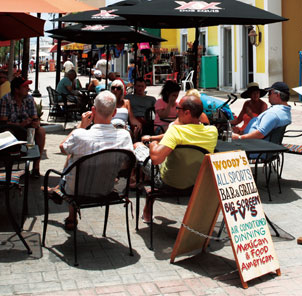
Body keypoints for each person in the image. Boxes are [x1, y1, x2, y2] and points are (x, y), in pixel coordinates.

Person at [58, 90, 134, 230]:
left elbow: (62, 147)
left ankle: (70, 212)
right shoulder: (124, 136)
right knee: (77, 154)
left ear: (93, 110)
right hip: (106, 188)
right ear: (114, 112)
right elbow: (126, 164)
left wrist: (81, 127)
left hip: (76, 191)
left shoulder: (80, 135)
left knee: (72, 155)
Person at [136, 94, 218, 223]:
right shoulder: (212, 132)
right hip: (195, 183)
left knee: (138, 146)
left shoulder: (175, 131)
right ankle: (150, 195)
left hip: (168, 181)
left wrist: (153, 144)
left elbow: (156, 159)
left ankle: (146, 192)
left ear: (187, 112)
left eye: (178, 108)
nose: (176, 111)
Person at [0, 77, 46, 177]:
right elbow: (3, 122)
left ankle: (36, 167)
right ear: (16, 89)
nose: (28, 89)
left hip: (27, 131)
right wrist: (19, 125)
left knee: (40, 132)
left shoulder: (29, 99)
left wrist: (35, 122)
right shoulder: (6, 99)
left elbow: (35, 117)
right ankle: (9, 166)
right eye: (25, 87)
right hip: (12, 131)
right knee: (8, 132)